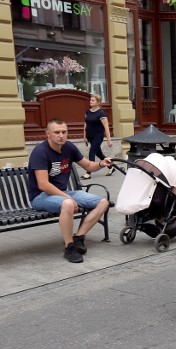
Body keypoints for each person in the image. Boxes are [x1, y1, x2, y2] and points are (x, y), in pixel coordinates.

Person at [27, 118, 112, 263]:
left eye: (64, 132)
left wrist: (101, 163)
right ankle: (69, 248)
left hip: (63, 193)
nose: (61, 135)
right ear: (48, 133)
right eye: (57, 132)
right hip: (40, 197)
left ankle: (79, 237)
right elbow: (43, 185)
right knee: (67, 204)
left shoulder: (69, 147)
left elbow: (89, 166)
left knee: (103, 202)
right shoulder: (40, 152)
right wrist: (68, 198)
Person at [82, 94, 113, 179]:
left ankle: (89, 172)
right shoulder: (88, 112)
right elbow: (86, 124)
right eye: (90, 100)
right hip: (90, 136)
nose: (90, 101)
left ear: (98, 102)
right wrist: (84, 136)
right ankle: (111, 166)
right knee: (99, 154)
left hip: (98, 136)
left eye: (93, 100)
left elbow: (106, 127)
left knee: (92, 152)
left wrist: (108, 140)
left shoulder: (101, 113)